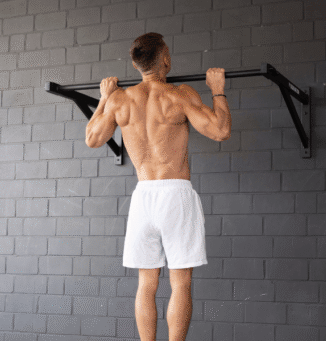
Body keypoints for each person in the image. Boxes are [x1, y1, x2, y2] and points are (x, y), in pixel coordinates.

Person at [84, 32, 231, 341]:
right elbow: (220, 131)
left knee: (146, 283)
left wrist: (103, 98)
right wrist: (218, 91)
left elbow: (92, 138)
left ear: (138, 65)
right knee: (180, 284)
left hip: (143, 197)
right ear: (165, 59)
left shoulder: (120, 100)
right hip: (176, 194)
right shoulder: (179, 95)